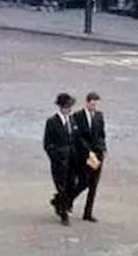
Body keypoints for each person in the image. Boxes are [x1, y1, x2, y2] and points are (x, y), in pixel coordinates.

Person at [70, 92, 107, 223]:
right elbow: (77, 136)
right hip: (84, 155)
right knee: (83, 182)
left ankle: (88, 212)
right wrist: (88, 151)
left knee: (93, 184)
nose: (94, 106)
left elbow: (102, 134)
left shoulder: (99, 116)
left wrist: (102, 149)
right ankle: (68, 200)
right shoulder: (78, 116)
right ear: (87, 102)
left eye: (96, 104)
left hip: (97, 154)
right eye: (92, 103)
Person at [43, 93, 78, 225]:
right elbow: (47, 143)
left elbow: (75, 138)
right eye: (66, 107)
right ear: (61, 107)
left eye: (70, 107)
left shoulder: (72, 120)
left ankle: (59, 202)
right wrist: (55, 156)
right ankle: (64, 213)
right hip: (59, 161)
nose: (68, 109)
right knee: (62, 186)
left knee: (72, 184)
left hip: (72, 159)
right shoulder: (52, 122)